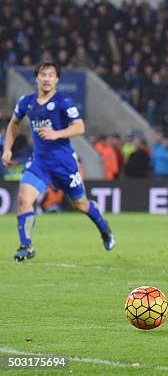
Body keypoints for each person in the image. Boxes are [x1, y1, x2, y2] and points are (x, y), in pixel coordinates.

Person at [1, 61, 115, 261]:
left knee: (80, 205)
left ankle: (104, 227)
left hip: (64, 164)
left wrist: (57, 133)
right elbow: (13, 124)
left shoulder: (63, 102)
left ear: (57, 79)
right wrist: (7, 149)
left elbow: (79, 127)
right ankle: (26, 246)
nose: (46, 78)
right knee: (24, 200)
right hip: (39, 163)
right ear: (36, 78)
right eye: (43, 75)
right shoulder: (26, 102)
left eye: (51, 75)